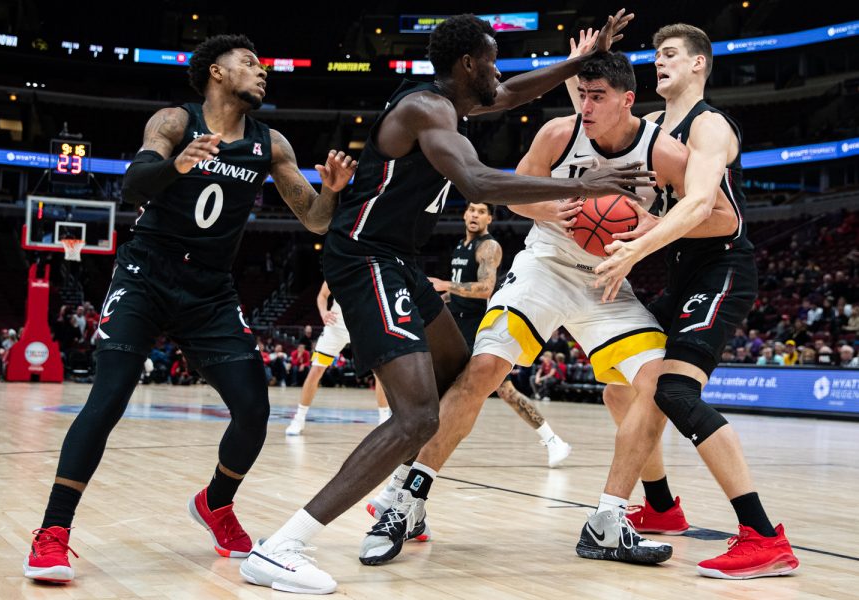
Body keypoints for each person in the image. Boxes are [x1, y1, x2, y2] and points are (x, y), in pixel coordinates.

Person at [240, 10, 653, 594]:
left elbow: (509, 94)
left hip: (397, 261)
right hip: (366, 259)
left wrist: (580, 61)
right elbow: (480, 183)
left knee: (463, 379)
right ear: (467, 64)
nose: (498, 72)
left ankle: (406, 498)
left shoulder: (452, 103)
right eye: (490, 60)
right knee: (417, 416)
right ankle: (284, 546)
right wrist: (587, 185)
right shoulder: (425, 109)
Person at [359, 49, 728, 568]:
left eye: (597, 97)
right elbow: (515, 196)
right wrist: (550, 207)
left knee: (655, 382)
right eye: (581, 95)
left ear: (627, 101)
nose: (586, 105)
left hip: (608, 282)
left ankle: (607, 519)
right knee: (484, 368)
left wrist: (650, 232)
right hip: (545, 267)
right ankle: (407, 500)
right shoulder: (559, 133)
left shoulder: (662, 150)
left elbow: (721, 216)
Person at [23, 34, 357, 583]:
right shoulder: (175, 122)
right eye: (249, 63)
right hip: (147, 273)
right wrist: (176, 164)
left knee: (254, 409)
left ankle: (216, 503)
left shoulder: (270, 144)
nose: (261, 70)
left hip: (210, 291)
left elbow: (316, 220)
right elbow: (134, 185)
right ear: (216, 74)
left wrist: (335, 191)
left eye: (262, 63)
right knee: (108, 399)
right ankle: (52, 533)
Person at [591, 23, 799, 579]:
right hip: (682, 271)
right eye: (654, 54)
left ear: (699, 64)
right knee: (619, 386)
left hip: (724, 266)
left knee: (675, 391)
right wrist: (582, 68)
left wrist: (636, 245)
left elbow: (706, 203)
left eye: (670, 54)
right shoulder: (653, 127)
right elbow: (597, 121)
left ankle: (763, 535)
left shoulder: (710, 127)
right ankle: (661, 508)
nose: (657, 61)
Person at [430, 201, 570, 465]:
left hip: (476, 326)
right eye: (471, 209)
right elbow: (460, 293)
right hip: (457, 322)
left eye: (481, 211)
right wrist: (439, 297)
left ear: (489, 219)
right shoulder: (461, 246)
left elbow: (484, 288)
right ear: (464, 213)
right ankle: (427, 443)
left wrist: (444, 284)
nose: (474, 215)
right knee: (446, 385)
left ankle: (553, 440)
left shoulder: (488, 247)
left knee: (503, 390)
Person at [285, 281, 392, 436]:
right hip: (337, 325)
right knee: (316, 370)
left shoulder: (372, 267)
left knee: (380, 374)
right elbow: (322, 295)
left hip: (365, 326)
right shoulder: (337, 267)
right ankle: (299, 418)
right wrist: (323, 313)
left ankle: (383, 420)